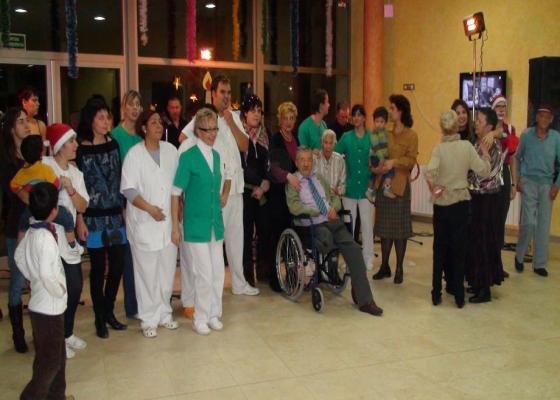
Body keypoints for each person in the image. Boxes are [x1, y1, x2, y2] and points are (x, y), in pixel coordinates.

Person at [180, 75, 259, 296]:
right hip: (215, 189)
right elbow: (183, 138)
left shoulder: (233, 116)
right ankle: (210, 289)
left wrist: (230, 121)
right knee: (215, 240)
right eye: (222, 92)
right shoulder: (204, 116)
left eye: (229, 92)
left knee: (237, 238)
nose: (226, 96)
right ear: (213, 93)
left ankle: (239, 283)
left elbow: (245, 146)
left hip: (236, 187)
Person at [286, 147, 383, 316]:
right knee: (327, 240)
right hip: (312, 226)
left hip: (332, 221)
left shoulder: (319, 178)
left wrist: (333, 208)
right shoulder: (293, 182)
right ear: (296, 162)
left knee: (354, 249)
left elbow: (335, 198)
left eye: (309, 160)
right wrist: (315, 211)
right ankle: (327, 272)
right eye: (302, 160)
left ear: (313, 162)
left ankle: (365, 300)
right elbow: (294, 207)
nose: (306, 163)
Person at [121, 110, 179, 338]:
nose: (158, 126)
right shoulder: (134, 155)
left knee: (166, 271)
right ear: (144, 128)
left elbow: (178, 186)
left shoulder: (171, 151)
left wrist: (179, 212)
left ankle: (164, 313)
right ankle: (148, 318)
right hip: (144, 222)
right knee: (146, 274)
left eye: (160, 122)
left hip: (168, 223)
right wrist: (150, 209)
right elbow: (128, 190)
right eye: (153, 122)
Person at [424, 110, 491, 308]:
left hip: (442, 205)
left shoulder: (438, 149)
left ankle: (436, 293)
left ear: (442, 128)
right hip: (461, 204)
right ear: (457, 126)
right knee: (459, 250)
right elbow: (483, 171)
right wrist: (486, 155)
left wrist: (435, 189)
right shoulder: (467, 147)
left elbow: (429, 173)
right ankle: (459, 296)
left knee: (439, 249)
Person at [15, 182, 74, 400]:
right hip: (49, 308)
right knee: (49, 363)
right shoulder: (45, 238)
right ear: (54, 210)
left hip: (44, 306)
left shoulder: (33, 230)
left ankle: (57, 396)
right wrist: (59, 290)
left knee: (57, 357)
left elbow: (18, 256)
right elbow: (47, 274)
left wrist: (33, 278)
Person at [76, 99, 128, 338]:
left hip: (115, 215)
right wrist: (80, 218)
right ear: (91, 120)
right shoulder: (81, 149)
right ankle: (99, 317)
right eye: (100, 117)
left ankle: (109, 311)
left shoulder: (114, 144)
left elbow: (120, 179)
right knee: (98, 269)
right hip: (93, 218)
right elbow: (79, 185)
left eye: (108, 117)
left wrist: (124, 211)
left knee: (117, 266)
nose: (106, 122)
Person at [172, 107, 226, 335]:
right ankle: (200, 317)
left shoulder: (216, 156)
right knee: (203, 274)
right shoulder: (188, 157)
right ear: (197, 131)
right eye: (207, 130)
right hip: (195, 225)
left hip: (215, 223)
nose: (212, 134)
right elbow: (175, 193)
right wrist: (175, 227)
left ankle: (213, 313)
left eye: (215, 129)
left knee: (218, 272)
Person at [43, 123, 90, 359]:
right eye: (71, 141)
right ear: (60, 146)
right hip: (48, 239)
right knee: (55, 292)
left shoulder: (76, 173)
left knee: (74, 287)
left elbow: (83, 206)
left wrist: (71, 190)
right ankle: (55, 340)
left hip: (69, 241)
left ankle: (67, 333)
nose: (76, 145)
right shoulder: (45, 166)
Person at [372, 95, 418, 284]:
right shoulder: (386, 133)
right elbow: (378, 152)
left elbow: (411, 161)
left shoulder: (411, 135)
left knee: (400, 231)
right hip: (384, 185)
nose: (389, 111)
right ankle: (384, 266)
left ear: (401, 111)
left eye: (392, 108)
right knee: (384, 229)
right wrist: (378, 164)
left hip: (400, 187)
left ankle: (399, 268)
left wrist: (394, 162)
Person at [11, 135, 80, 252]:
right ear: (41, 152)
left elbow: (13, 185)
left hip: (32, 208)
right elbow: (56, 185)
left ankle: (19, 248)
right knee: (67, 217)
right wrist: (63, 182)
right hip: (47, 207)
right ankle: (72, 245)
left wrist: (24, 194)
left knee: (22, 224)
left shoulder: (22, 172)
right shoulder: (44, 169)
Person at [514, 104, 560, 277]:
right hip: (529, 182)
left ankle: (539, 264)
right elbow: (516, 157)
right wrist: (518, 179)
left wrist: (557, 185)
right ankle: (519, 256)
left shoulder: (556, 138)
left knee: (543, 224)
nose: (544, 119)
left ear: (551, 119)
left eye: (547, 116)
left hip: (547, 185)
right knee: (529, 223)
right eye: (541, 115)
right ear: (536, 117)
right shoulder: (526, 135)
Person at [465, 108, 505, 303]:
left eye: (480, 121)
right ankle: (476, 280)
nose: (476, 123)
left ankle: (485, 288)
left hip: (487, 200)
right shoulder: (475, 142)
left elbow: (486, 175)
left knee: (484, 242)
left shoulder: (494, 147)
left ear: (489, 126)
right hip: (474, 198)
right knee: (474, 241)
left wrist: (471, 174)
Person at [1, 107, 31, 353]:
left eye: (26, 120)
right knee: (18, 281)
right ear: (11, 128)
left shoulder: (33, 155)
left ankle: (40, 328)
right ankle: (17, 332)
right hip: (16, 226)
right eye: (20, 121)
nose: (26, 125)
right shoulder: (7, 161)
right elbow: (16, 194)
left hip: (36, 224)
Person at [111, 90, 141, 319]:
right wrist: (120, 207)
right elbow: (114, 175)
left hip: (142, 204)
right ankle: (132, 305)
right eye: (130, 104)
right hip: (122, 204)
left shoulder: (141, 138)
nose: (134, 108)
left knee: (141, 256)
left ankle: (144, 300)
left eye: (137, 104)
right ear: (123, 108)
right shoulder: (114, 136)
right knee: (128, 258)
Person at [335, 104, 375, 271]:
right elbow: (336, 155)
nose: (356, 118)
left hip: (366, 189)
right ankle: (349, 259)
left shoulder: (371, 137)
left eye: (360, 115)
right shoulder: (346, 137)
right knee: (348, 227)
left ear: (364, 118)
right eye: (354, 115)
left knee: (367, 225)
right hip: (349, 189)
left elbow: (377, 161)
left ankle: (368, 257)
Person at [239, 95, 272, 286]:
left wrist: (265, 183)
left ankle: (263, 272)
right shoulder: (239, 134)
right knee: (244, 235)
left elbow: (268, 164)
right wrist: (260, 182)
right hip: (245, 190)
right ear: (245, 113)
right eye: (252, 111)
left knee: (264, 231)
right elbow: (241, 166)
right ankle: (246, 276)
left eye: (259, 111)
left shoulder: (265, 134)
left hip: (262, 191)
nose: (256, 114)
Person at [268, 101, 300, 291]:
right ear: (279, 120)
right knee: (276, 238)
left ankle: (292, 276)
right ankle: (275, 279)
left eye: (291, 118)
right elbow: (273, 167)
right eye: (285, 118)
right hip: (278, 196)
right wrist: (288, 175)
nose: (288, 122)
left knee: (291, 237)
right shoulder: (276, 139)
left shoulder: (295, 139)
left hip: (292, 197)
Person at [491, 95, 519, 256]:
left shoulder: (510, 130)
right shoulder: (487, 128)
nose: (501, 109)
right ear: (493, 108)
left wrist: (514, 184)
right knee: (489, 216)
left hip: (505, 174)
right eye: (498, 106)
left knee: (501, 217)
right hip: (489, 175)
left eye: (504, 106)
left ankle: (496, 257)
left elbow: (513, 158)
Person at [365, 106, 395, 203]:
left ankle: (372, 191)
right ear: (374, 122)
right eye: (377, 121)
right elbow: (376, 147)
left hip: (382, 157)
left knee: (377, 175)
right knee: (386, 171)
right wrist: (382, 158)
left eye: (382, 122)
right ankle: (383, 189)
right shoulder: (374, 133)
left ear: (385, 123)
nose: (379, 124)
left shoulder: (385, 133)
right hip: (376, 156)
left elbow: (386, 146)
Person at [313, 129, 346, 196]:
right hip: (317, 198)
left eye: (331, 143)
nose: (328, 146)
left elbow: (344, 184)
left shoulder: (340, 160)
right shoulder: (314, 159)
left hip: (334, 197)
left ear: (335, 144)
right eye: (326, 142)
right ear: (321, 143)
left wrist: (338, 191)